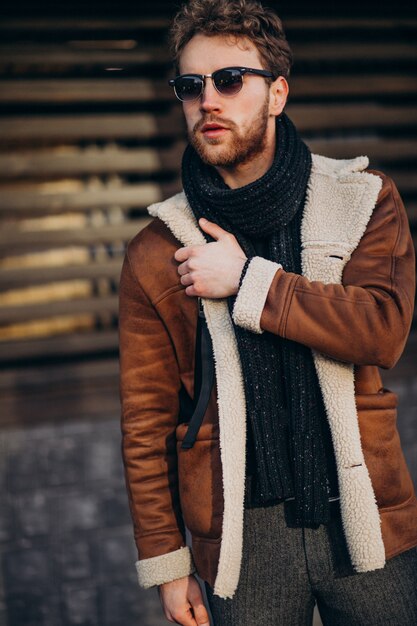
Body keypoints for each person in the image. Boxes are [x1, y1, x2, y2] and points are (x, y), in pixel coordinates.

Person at [118, 1, 417, 624]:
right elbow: (146, 422)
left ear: (277, 92)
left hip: (363, 521)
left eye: (230, 79)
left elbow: (381, 328)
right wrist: (169, 565)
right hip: (240, 541)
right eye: (190, 85)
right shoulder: (157, 250)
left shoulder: (363, 200)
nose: (208, 100)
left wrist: (249, 282)